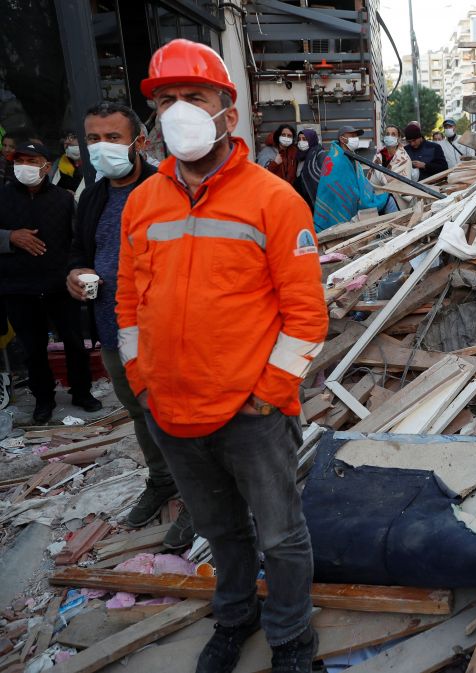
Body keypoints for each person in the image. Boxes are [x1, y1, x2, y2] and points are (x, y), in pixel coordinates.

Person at [118, 39, 327, 672]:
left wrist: (268, 394)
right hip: (172, 412)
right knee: (223, 532)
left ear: (227, 115)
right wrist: (142, 382)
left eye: (195, 98)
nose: (180, 110)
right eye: (167, 100)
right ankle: (235, 618)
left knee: (282, 537)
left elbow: (308, 316)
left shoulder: (273, 199)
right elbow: (128, 305)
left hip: (252, 415)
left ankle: (291, 638)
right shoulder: (142, 202)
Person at [66, 101, 194, 552]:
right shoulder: (94, 194)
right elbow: (79, 248)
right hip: (111, 327)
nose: (102, 148)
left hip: (163, 329)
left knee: (180, 414)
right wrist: (75, 272)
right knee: (140, 413)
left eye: (113, 138)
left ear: (139, 142)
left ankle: (199, 500)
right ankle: (162, 481)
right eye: (94, 138)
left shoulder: (168, 189)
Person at [0, 141, 101, 423]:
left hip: (58, 284)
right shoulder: (2, 196)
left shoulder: (64, 199)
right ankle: (43, 399)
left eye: (32, 162)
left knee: (74, 342)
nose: (25, 167)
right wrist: (10, 237)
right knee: (32, 349)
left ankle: (82, 392)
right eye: (19, 160)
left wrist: (77, 270)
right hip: (17, 286)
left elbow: (77, 239)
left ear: (46, 166)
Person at [312, 126, 389, 232]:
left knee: (386, 197)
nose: (355, 138)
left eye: (356, 136)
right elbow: (345, 192)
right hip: (334, 206)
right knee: (386, 199)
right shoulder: (337, 160)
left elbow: (357, 183)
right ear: (342, 139)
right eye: (352, 135)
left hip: (342, 203)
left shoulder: (349, 156)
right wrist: (364, 198)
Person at [295, 129, 324, 209]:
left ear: (312, 140)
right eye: (299, 139)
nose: (301, 142)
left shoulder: (319, 154)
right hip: (302, 198)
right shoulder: (299, 156)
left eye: (304, 139)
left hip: (316, 197)